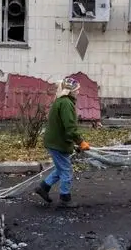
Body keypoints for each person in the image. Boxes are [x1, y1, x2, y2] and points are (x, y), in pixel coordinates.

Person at [34, 77, 90, 208]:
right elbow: (69, 127)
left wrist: (73, 143)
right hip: (57, 143)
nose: (78, 92)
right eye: (76, 90)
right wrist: (80, 142)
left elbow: (63, 128)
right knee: (66, 171)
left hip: (55, 141)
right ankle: (65, 198)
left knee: (61, 168)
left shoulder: (61, 101)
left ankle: (43, 188)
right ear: (70, 91)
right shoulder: (66, 103)